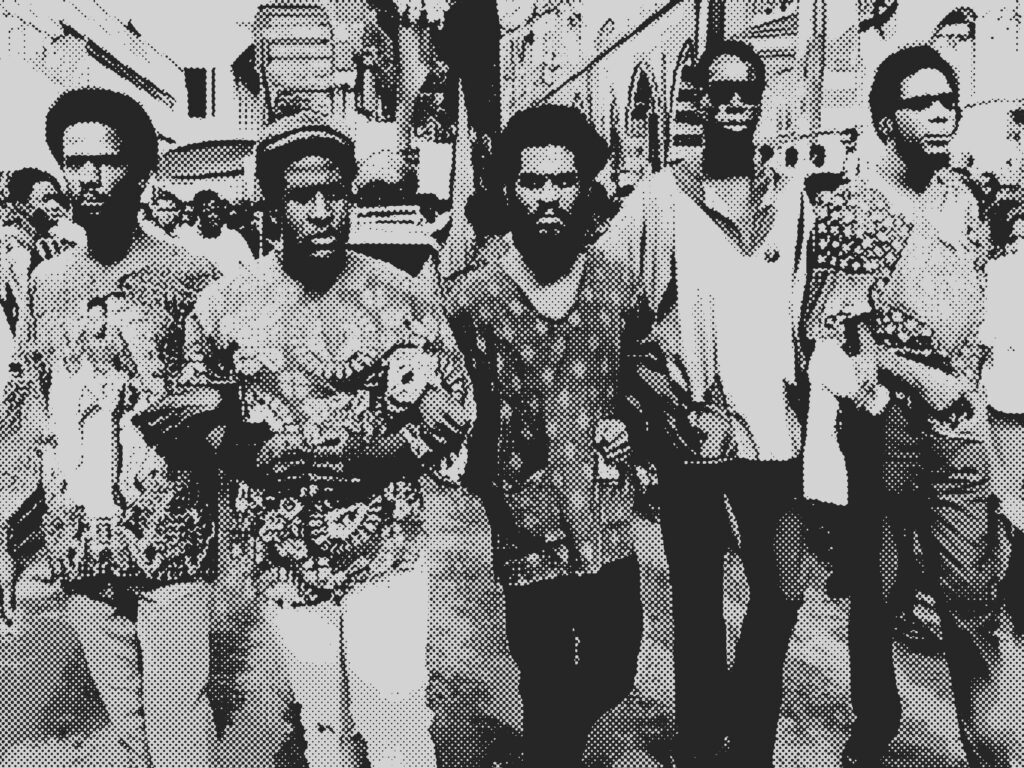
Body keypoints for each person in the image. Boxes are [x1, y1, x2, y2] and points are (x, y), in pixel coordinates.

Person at [159, 111, 473, 768]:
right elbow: (194, 417)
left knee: (397, 721)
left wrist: (385, 456)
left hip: (387, 550)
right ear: (273, 205)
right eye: (303, 197)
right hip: (282, 554)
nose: (323, 211)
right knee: (323, 728)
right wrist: (251, 452)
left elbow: (457, 411)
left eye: (336, 193)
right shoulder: (223, 306)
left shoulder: (402, 295)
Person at [596, 40, 809, 768]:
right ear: (697, 99)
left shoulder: (789, 196)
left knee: (782, 592)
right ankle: (700, 745)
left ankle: (745, 733)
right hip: (693, 435)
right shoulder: (660, 196)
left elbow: (806, 309)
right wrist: (659, 400)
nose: (732, 104)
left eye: (744, 90)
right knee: (697, 603)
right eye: (717, 92)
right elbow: (613, 301)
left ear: (759, 98)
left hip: (777, 435)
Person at [804, 46, 1012, 768]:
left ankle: (992, 747)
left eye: (947, 102)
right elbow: (831, 337)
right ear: (885, 120)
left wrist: (965, 383)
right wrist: (917, 378)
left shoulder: (963, 199)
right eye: (921, 104)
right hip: (882, 427)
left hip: (961, 425)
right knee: (880, 589)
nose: (940, 116)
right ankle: (876, 720)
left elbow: (973, 304)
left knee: (973, 591)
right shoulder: (847, 210)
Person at [0, 88, 220, 768]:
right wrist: (9, 533)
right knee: (128, 726)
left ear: (143, 168)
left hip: (172, 533)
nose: (89, 179)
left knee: (180, 716)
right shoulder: (47, 283)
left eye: (108, 161)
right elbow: (31, 411)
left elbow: (229, 392)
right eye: (75, 162)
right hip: (80, 539)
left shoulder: (192, 276)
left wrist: (214, 404)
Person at [445, 105, 645, 768]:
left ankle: (546, 750)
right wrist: (490, 464)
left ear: (586, 186)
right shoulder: (472, 301)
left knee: (615, 669)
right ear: (510, 190)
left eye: (564, 180)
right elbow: (454, 409)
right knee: (546, 676)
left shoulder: (617, 285)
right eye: (533, 182)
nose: (550, 196)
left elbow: (648, 376)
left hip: (607, 520)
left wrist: (632, 426)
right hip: (528, 526)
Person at [178, 189, 255, 280]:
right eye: (208, 211)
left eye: (216, 211)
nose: (214, 216)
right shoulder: (187, 238)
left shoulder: (233, 237)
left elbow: (251, 268)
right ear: (198, 213)